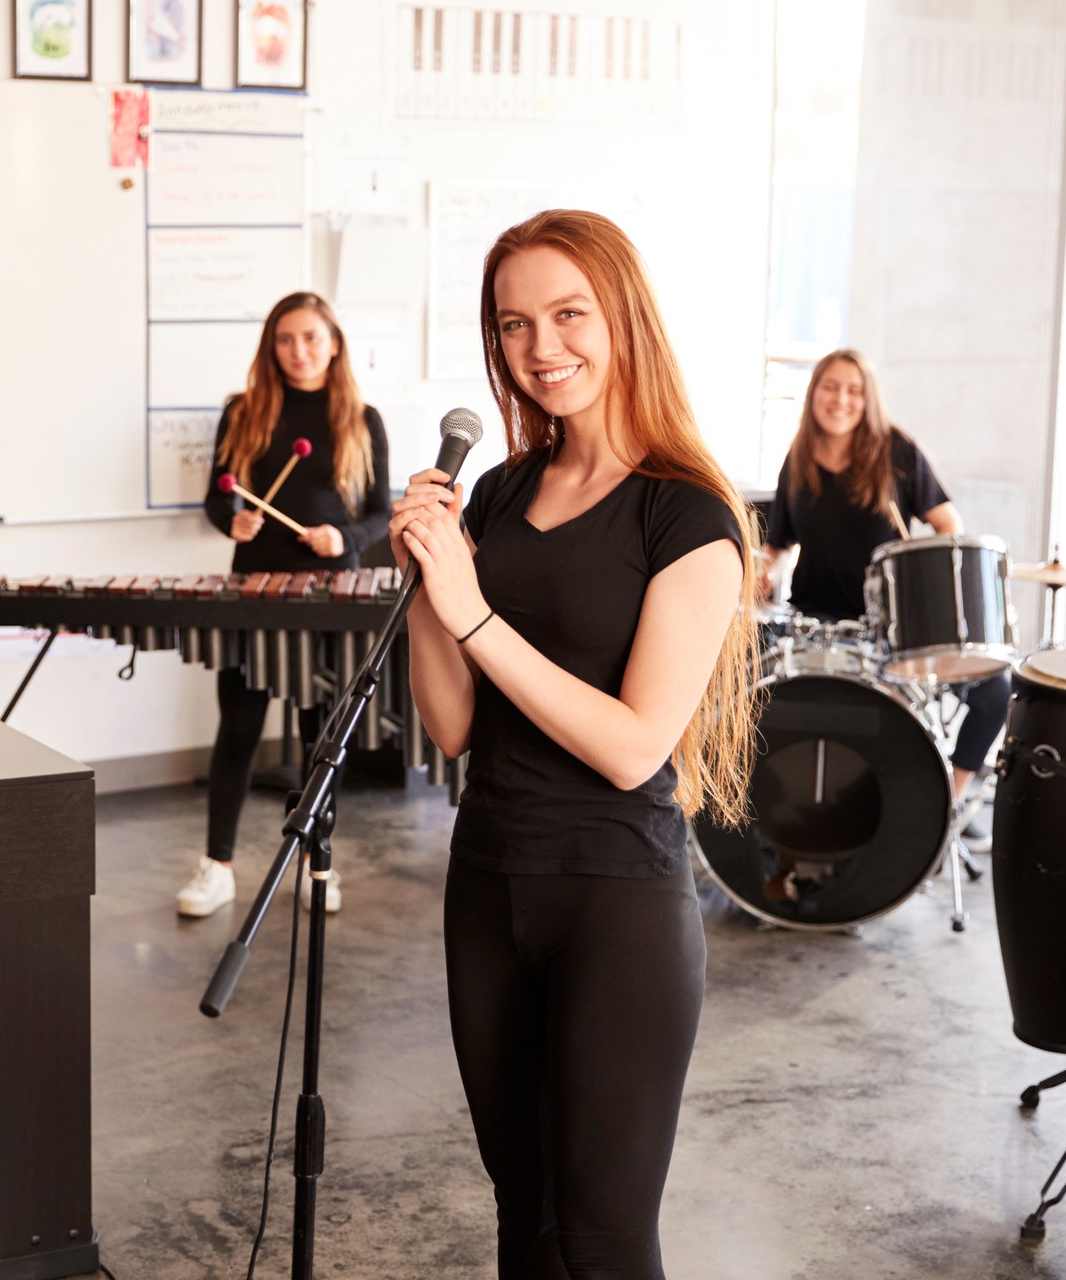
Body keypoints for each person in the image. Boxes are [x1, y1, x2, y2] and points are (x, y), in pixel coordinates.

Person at [389, 210, 757, 1277]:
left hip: (616, 903)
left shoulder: (686, 516)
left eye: (567, 314)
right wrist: (429, 574)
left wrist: (469, 610)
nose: (540, 347)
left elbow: (637, 745)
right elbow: (454, 724)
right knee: (525, 1220)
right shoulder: (501, 491)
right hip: (489, 882)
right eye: (513, 324)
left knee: (600, 1236)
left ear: (623, 318)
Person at [176, 292, 390, 918]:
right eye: (286, 339)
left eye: (311, 338)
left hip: (329, 592)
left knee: (320, 735)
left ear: (335, 342)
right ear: (272, 346)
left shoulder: (361, 416)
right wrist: (232, 521)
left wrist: (343, 538)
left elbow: (379, 511)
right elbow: (220, 497)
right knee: (238, 728)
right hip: (256, 589)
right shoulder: (245, 412)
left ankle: (317, 860)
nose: (299, 351)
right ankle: (217, 867)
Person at [758, 348, 1008, 805]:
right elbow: (779, 544)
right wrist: (755, 572)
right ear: (814, 394)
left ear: (867, 398)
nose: (841, 399)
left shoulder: (897, 451)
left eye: (854, 390)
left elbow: (949, 526)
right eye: (830, 387)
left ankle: (946, 800)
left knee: (996, 691)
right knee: (741, 671)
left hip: (891, 629)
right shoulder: (797, 460)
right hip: (816, 621)